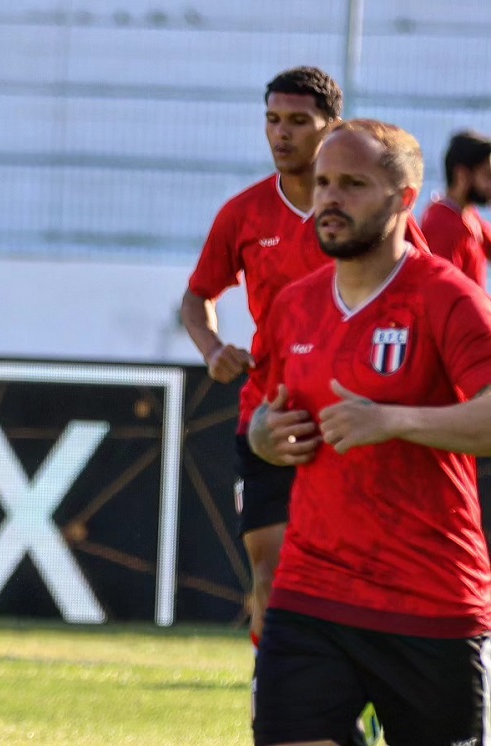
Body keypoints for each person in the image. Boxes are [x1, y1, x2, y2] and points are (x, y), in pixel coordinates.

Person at [249, 119, 491, 745]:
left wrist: (395, 420)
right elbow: (258, 415)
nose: (330, 197)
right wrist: (265, 435)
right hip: (313, 590)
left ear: (404, 197)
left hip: (429, 597)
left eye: (353, 184)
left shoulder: (447, 298)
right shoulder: (294, 304)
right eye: (323, 182)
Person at [182, 66, 344, 645]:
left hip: (353, 417)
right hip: (269, 418)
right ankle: (276, 700)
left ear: (333, 129)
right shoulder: (245, 212)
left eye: (299, 121)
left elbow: (422, 285)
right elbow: (196, 297)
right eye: (273, 120)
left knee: (353, 575)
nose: (283, 134)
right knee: (271, 572)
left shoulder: (365, 215)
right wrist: (212, 347)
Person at [420, 129, 491, 287]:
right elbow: (442, 292)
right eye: (487, 175)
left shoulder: (466, 212)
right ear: (462, 175)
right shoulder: (442, 225)